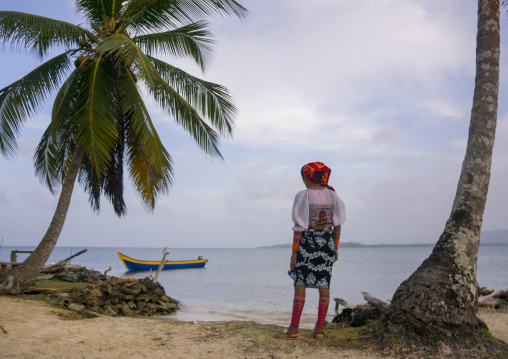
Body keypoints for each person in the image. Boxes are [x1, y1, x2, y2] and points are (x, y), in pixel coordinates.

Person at [274, 162, 346, 340]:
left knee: (300, 285)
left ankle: (293, 330)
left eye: (303, 177)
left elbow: (299, 228)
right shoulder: (333, 195)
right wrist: (335, 247)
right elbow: (337, 226)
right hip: (327, 244)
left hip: (307, 243)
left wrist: (294, 252)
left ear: (307, 177)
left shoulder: (303, 196)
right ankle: (319, 330)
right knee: (324, 285)